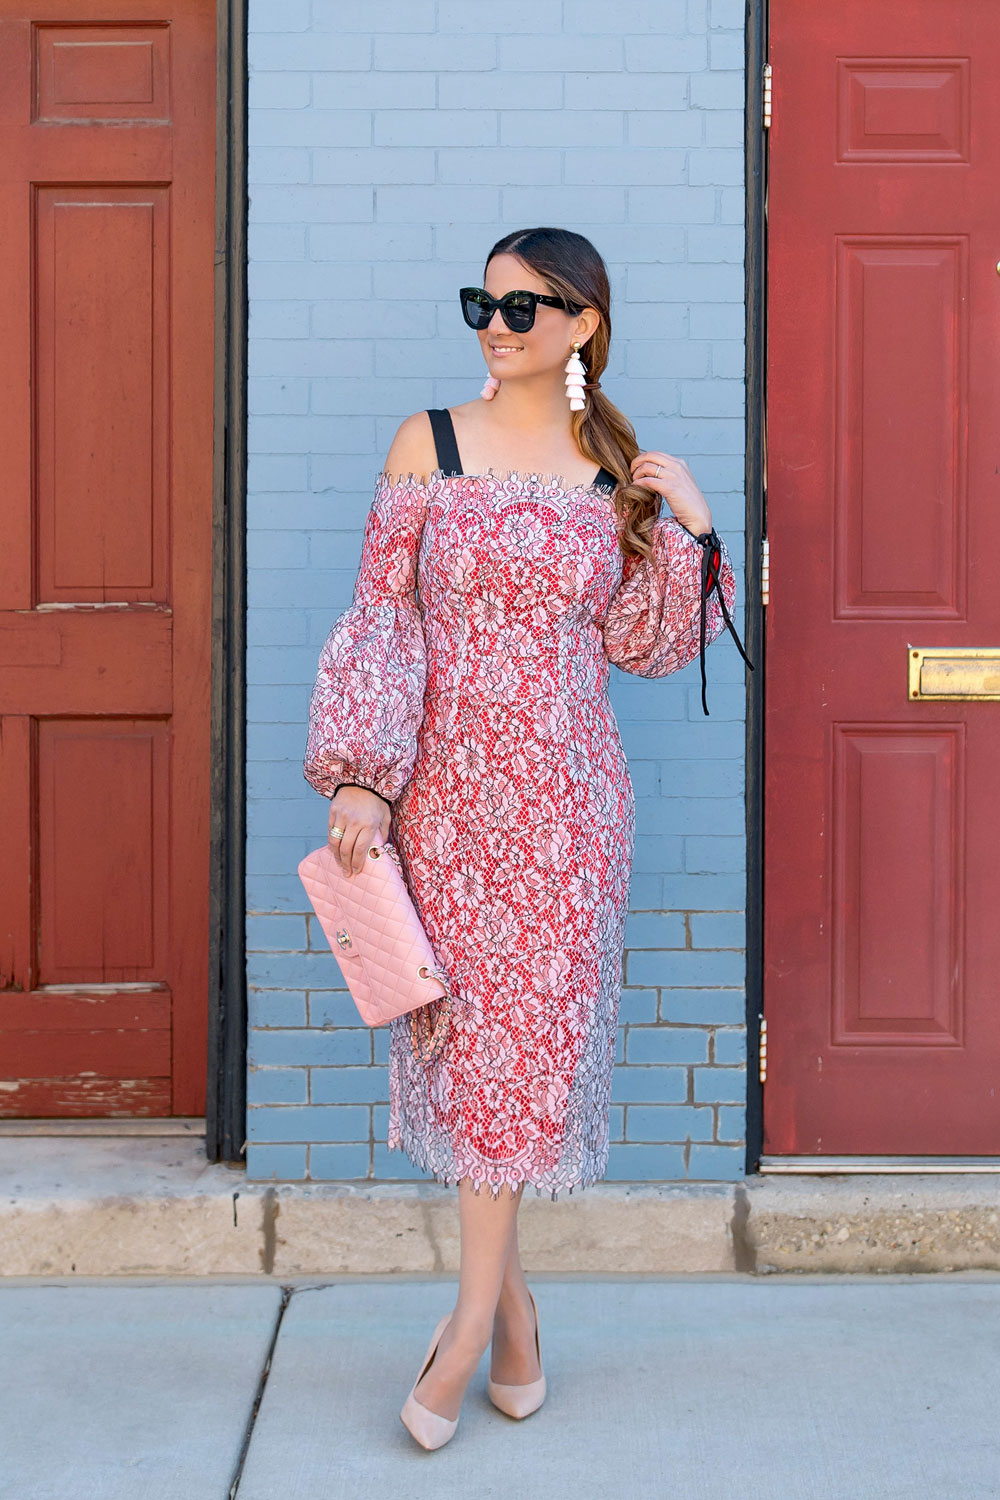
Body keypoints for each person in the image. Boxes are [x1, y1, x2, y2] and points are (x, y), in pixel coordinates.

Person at [303, 226, 739, 1450]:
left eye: (526, 307)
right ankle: (514, 1320)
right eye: (481, 304)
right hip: (440, 803)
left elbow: (643, 646)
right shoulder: (426, 446)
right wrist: (365, 780)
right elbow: (381, 617)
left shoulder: (611, 473)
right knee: (470, 1055)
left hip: (564, 808)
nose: (497, 326)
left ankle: (466, 1325)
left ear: (583, 323)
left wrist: (695, 528)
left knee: (520, 1063)